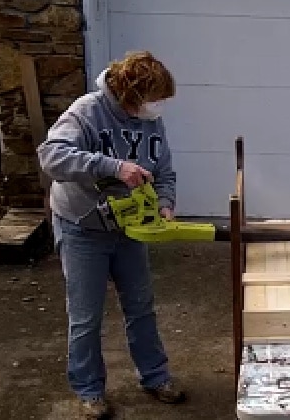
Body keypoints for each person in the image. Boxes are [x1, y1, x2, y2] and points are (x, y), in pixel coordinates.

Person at [36, 51, 185, 418]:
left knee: (141, 307)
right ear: (129, 94)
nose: (157, 107)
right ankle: (89, 390)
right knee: (86, 316)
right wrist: (112, 167)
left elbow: (164, 169)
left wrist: (164, 204)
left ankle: (155, 376)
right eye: (152, 99)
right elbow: (51, 156)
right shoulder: (87, 112)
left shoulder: (152, 123)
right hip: (82, 227)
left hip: (130, 228)